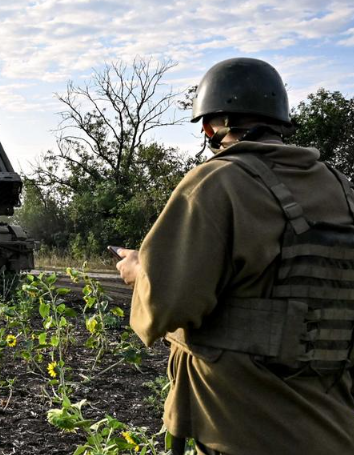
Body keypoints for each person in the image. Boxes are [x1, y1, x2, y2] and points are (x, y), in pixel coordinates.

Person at [115, 58, 354, 455]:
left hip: (246, 428)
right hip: (336, 428)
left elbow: (166, 306)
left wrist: (139, 271)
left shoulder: (216, 181)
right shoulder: (341, 189)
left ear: (210, 126)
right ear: (281, 122)